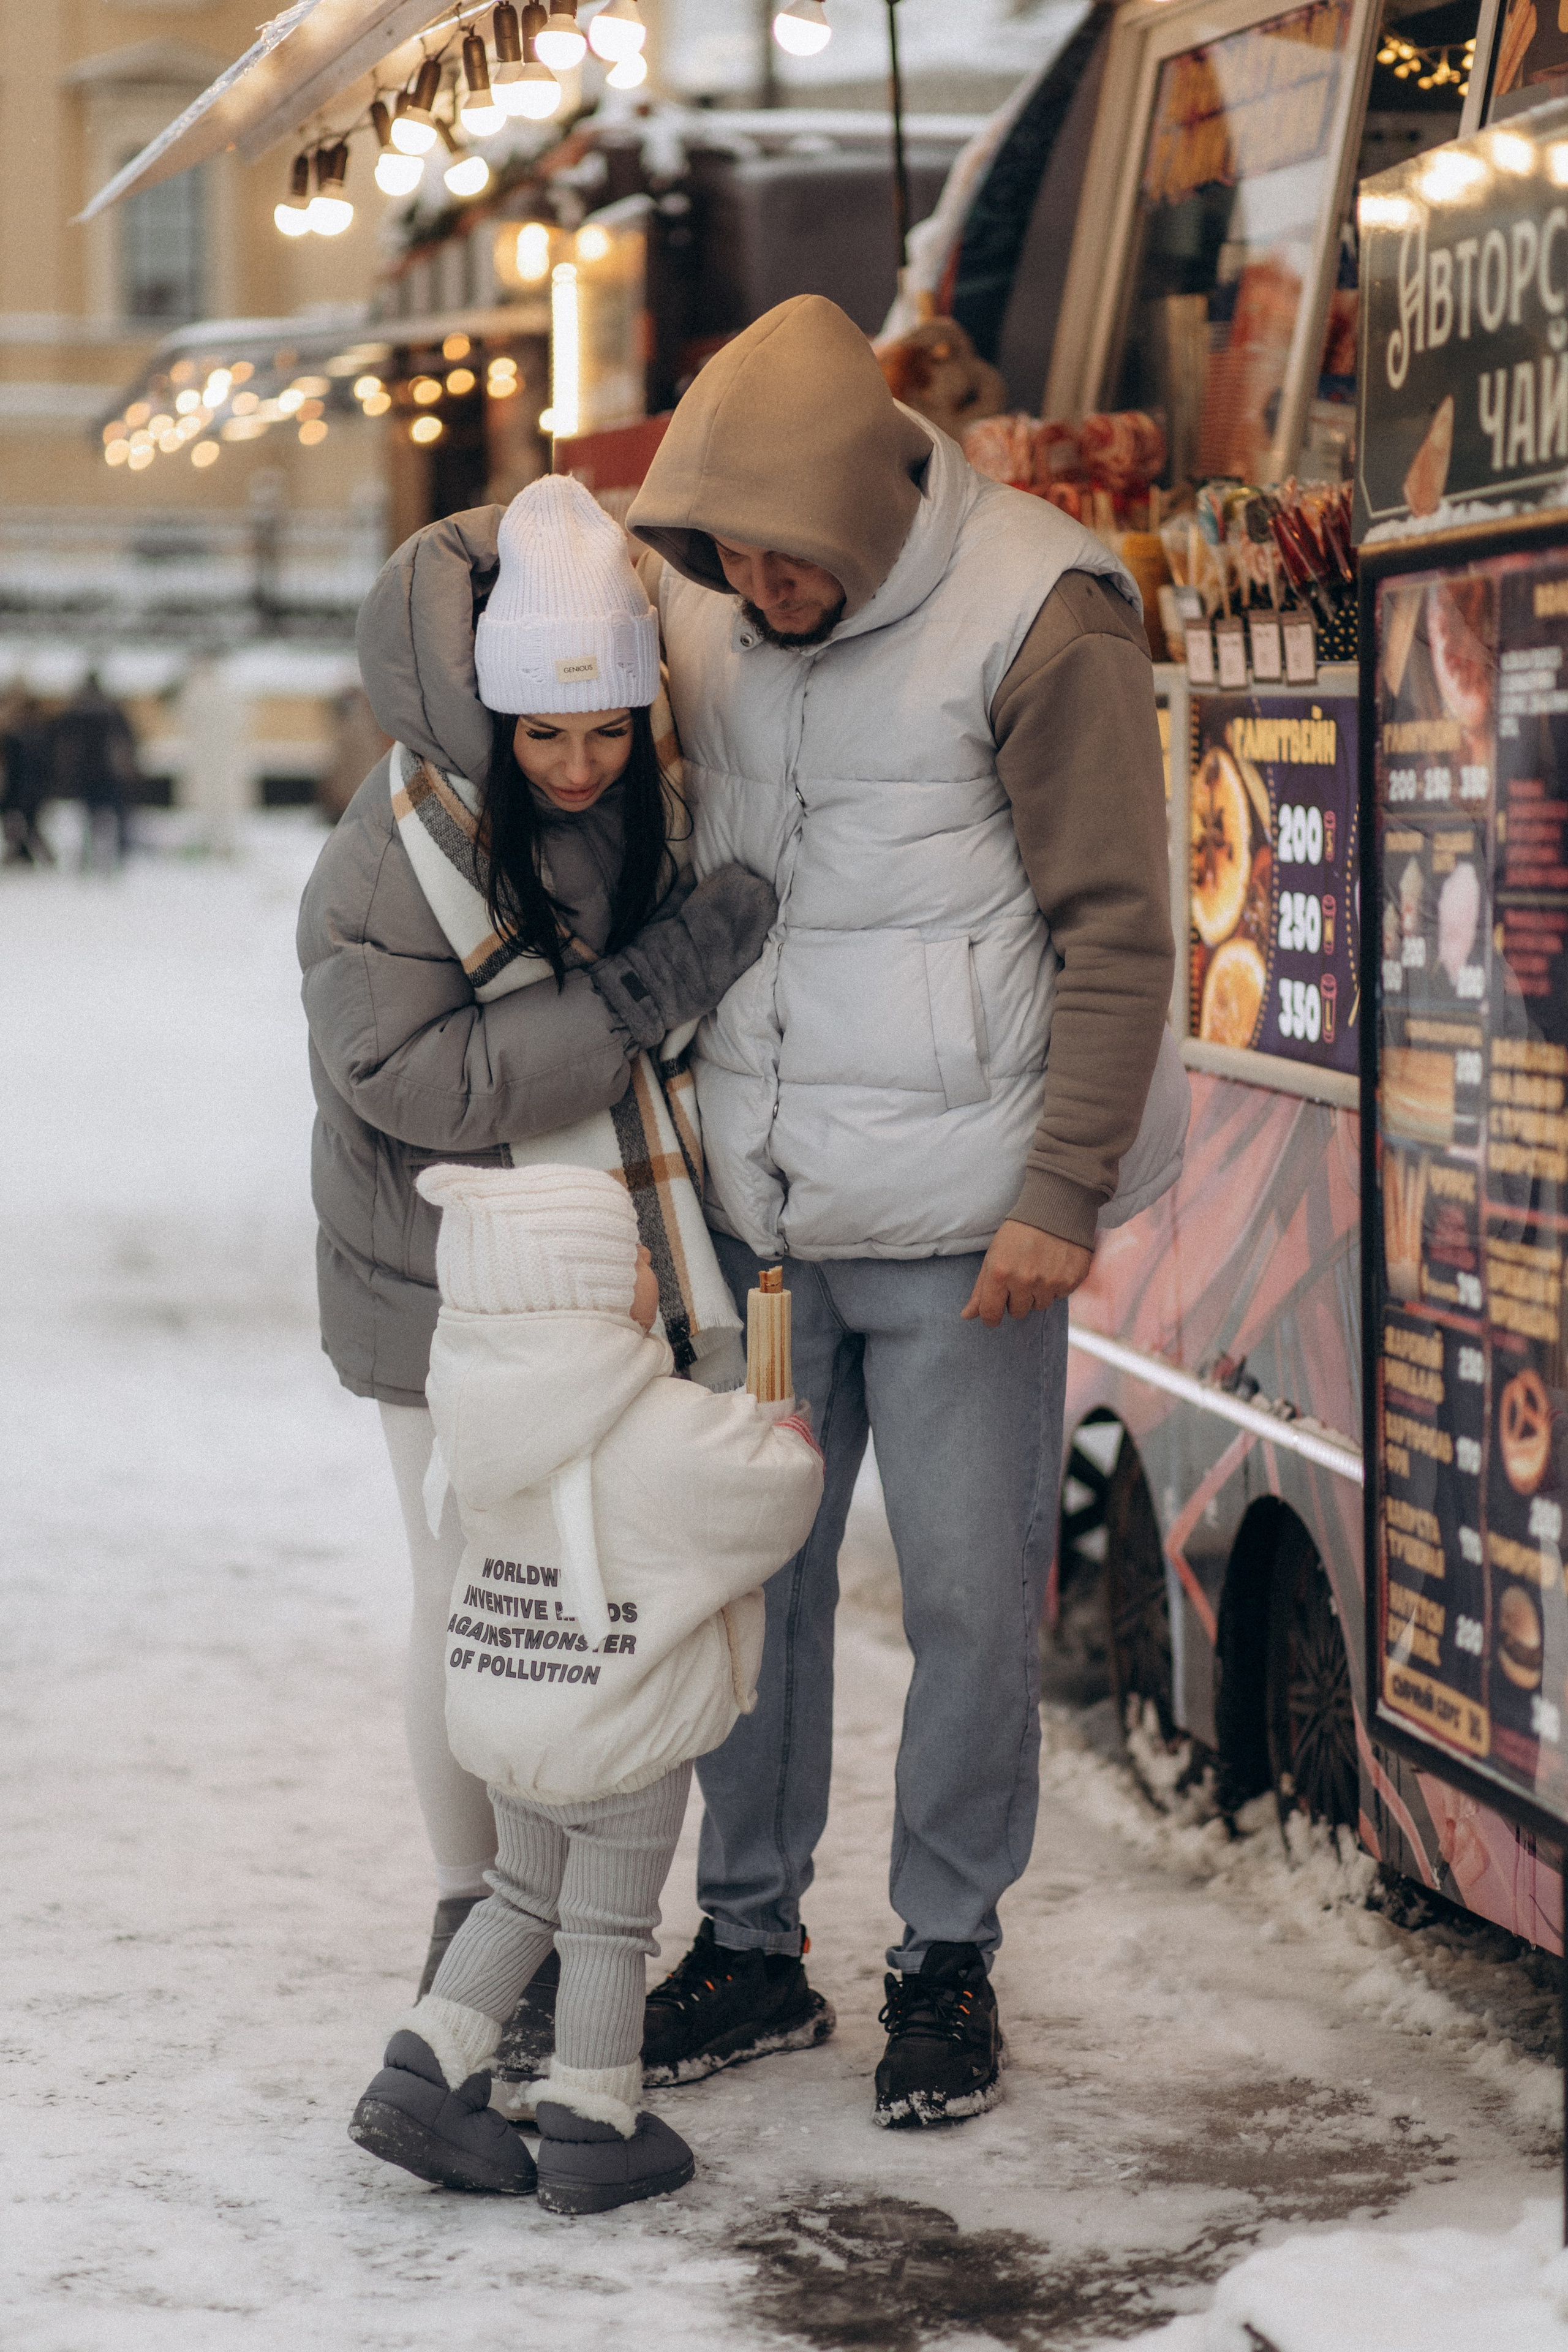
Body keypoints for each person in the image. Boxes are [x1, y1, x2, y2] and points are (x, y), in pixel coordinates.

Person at [625, 294, 1188, 2127]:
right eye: (728, 562)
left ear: (866, 515)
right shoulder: (706, 602)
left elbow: (1118, 926)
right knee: (756, 1603)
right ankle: (753, 1944)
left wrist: (1064, 1191)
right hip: (764, 1211)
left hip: (968, 1228)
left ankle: (948, 1960)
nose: (756, 595)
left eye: (788, 566)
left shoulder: (1043, 609)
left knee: (964, 1605)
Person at [298, 478, 777, 2019]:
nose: (574, 768)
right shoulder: (400, 842)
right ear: (488, 709)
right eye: (542, 735)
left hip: (611, 1266)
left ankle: (571, 1923)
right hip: (434, 1277)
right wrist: (642, 994)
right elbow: (407, 1078)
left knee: (604, 1593)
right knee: (472, 1597)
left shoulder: (664, 798)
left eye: (607, 731)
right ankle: (471, 1923)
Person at [349, 1163, 823, 2211]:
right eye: (640, 1258)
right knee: (608, 1929)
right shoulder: (654, 1425)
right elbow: (769, 1499)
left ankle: (422, 2072)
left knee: (520, 1894)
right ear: (593, 1290)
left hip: (513, 1710)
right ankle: (595, 2125)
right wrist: (779, 1417)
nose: (656, 1268)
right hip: (621, 1727)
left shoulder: (480, 1406)